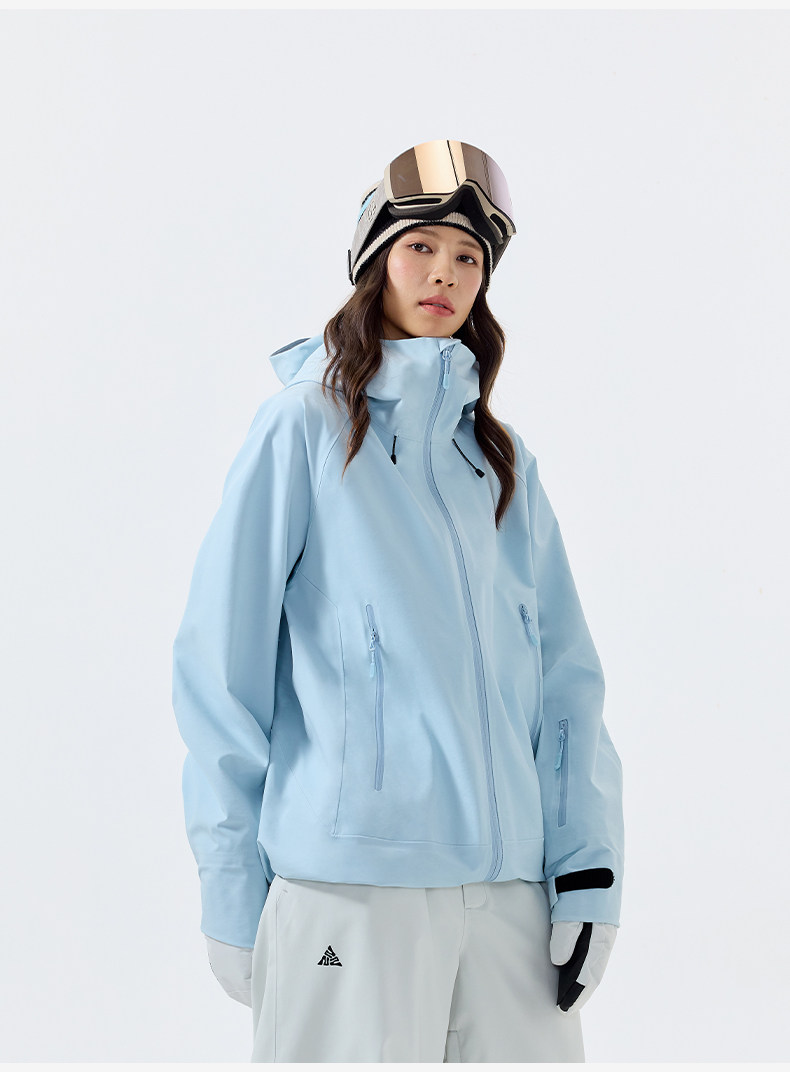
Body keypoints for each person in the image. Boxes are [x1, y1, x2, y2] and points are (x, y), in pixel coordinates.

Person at [171, 138, 625, 1063]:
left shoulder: (500, 461)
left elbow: (565, 685)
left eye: (468, 258)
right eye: (421, 247)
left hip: (507, 900)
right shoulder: (304, 428)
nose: (445, 273)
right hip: (349, 893)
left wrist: (587, 871)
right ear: (374, 259)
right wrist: (230, 884)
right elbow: (221, 671)